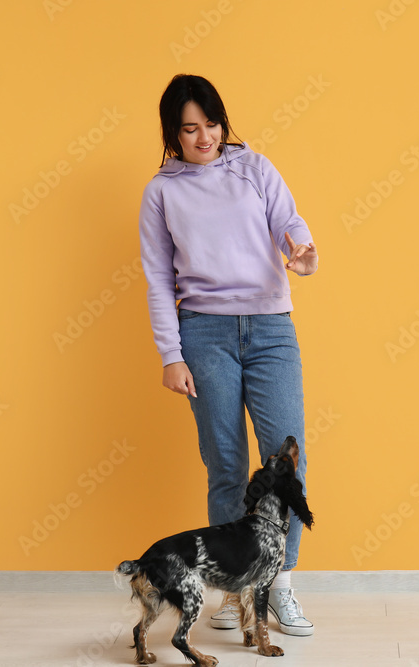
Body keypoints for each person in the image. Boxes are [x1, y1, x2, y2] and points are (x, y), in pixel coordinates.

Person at [138, 74, 319, 636]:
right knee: (225, 463)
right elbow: (156, 277)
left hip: (269, 329)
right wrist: (171, 354)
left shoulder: (255, 168)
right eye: (189, 129)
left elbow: (287, 220)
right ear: (173, 133)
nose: (204, 138)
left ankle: (278, 585)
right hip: (204, 334)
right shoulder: (160, 192)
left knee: (286, 458)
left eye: (211, 124)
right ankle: (233, 590)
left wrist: (301, 245)